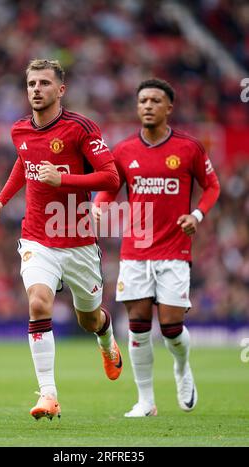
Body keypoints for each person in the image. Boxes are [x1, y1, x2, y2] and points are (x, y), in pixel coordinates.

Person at [0, 59, 122, 421]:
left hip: (77, 242)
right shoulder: (19, 130)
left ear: (61, 90)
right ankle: (48, 394)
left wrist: (66, 182)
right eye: (31, 83)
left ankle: (106, 340)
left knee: (88, 320)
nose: (36, 89)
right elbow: (24, 162)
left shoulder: (80, 128)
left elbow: (111, 177)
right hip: (37, 239)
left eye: (44, 83)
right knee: (39, 303)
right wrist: (1, 198)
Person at [93, 78, 220, 417]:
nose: (148, 105)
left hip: (175, 250)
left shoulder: (189, 148)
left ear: (169, 108)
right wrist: (100, 205)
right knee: (137, 323)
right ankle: (146, 401)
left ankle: (182, 369)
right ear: (137, 107)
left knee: (171, 327)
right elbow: (109, 187)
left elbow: (212, 186)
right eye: (143, 101)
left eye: (155, 100)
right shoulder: (123, 151)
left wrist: (197, 214)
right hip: (136, 250)